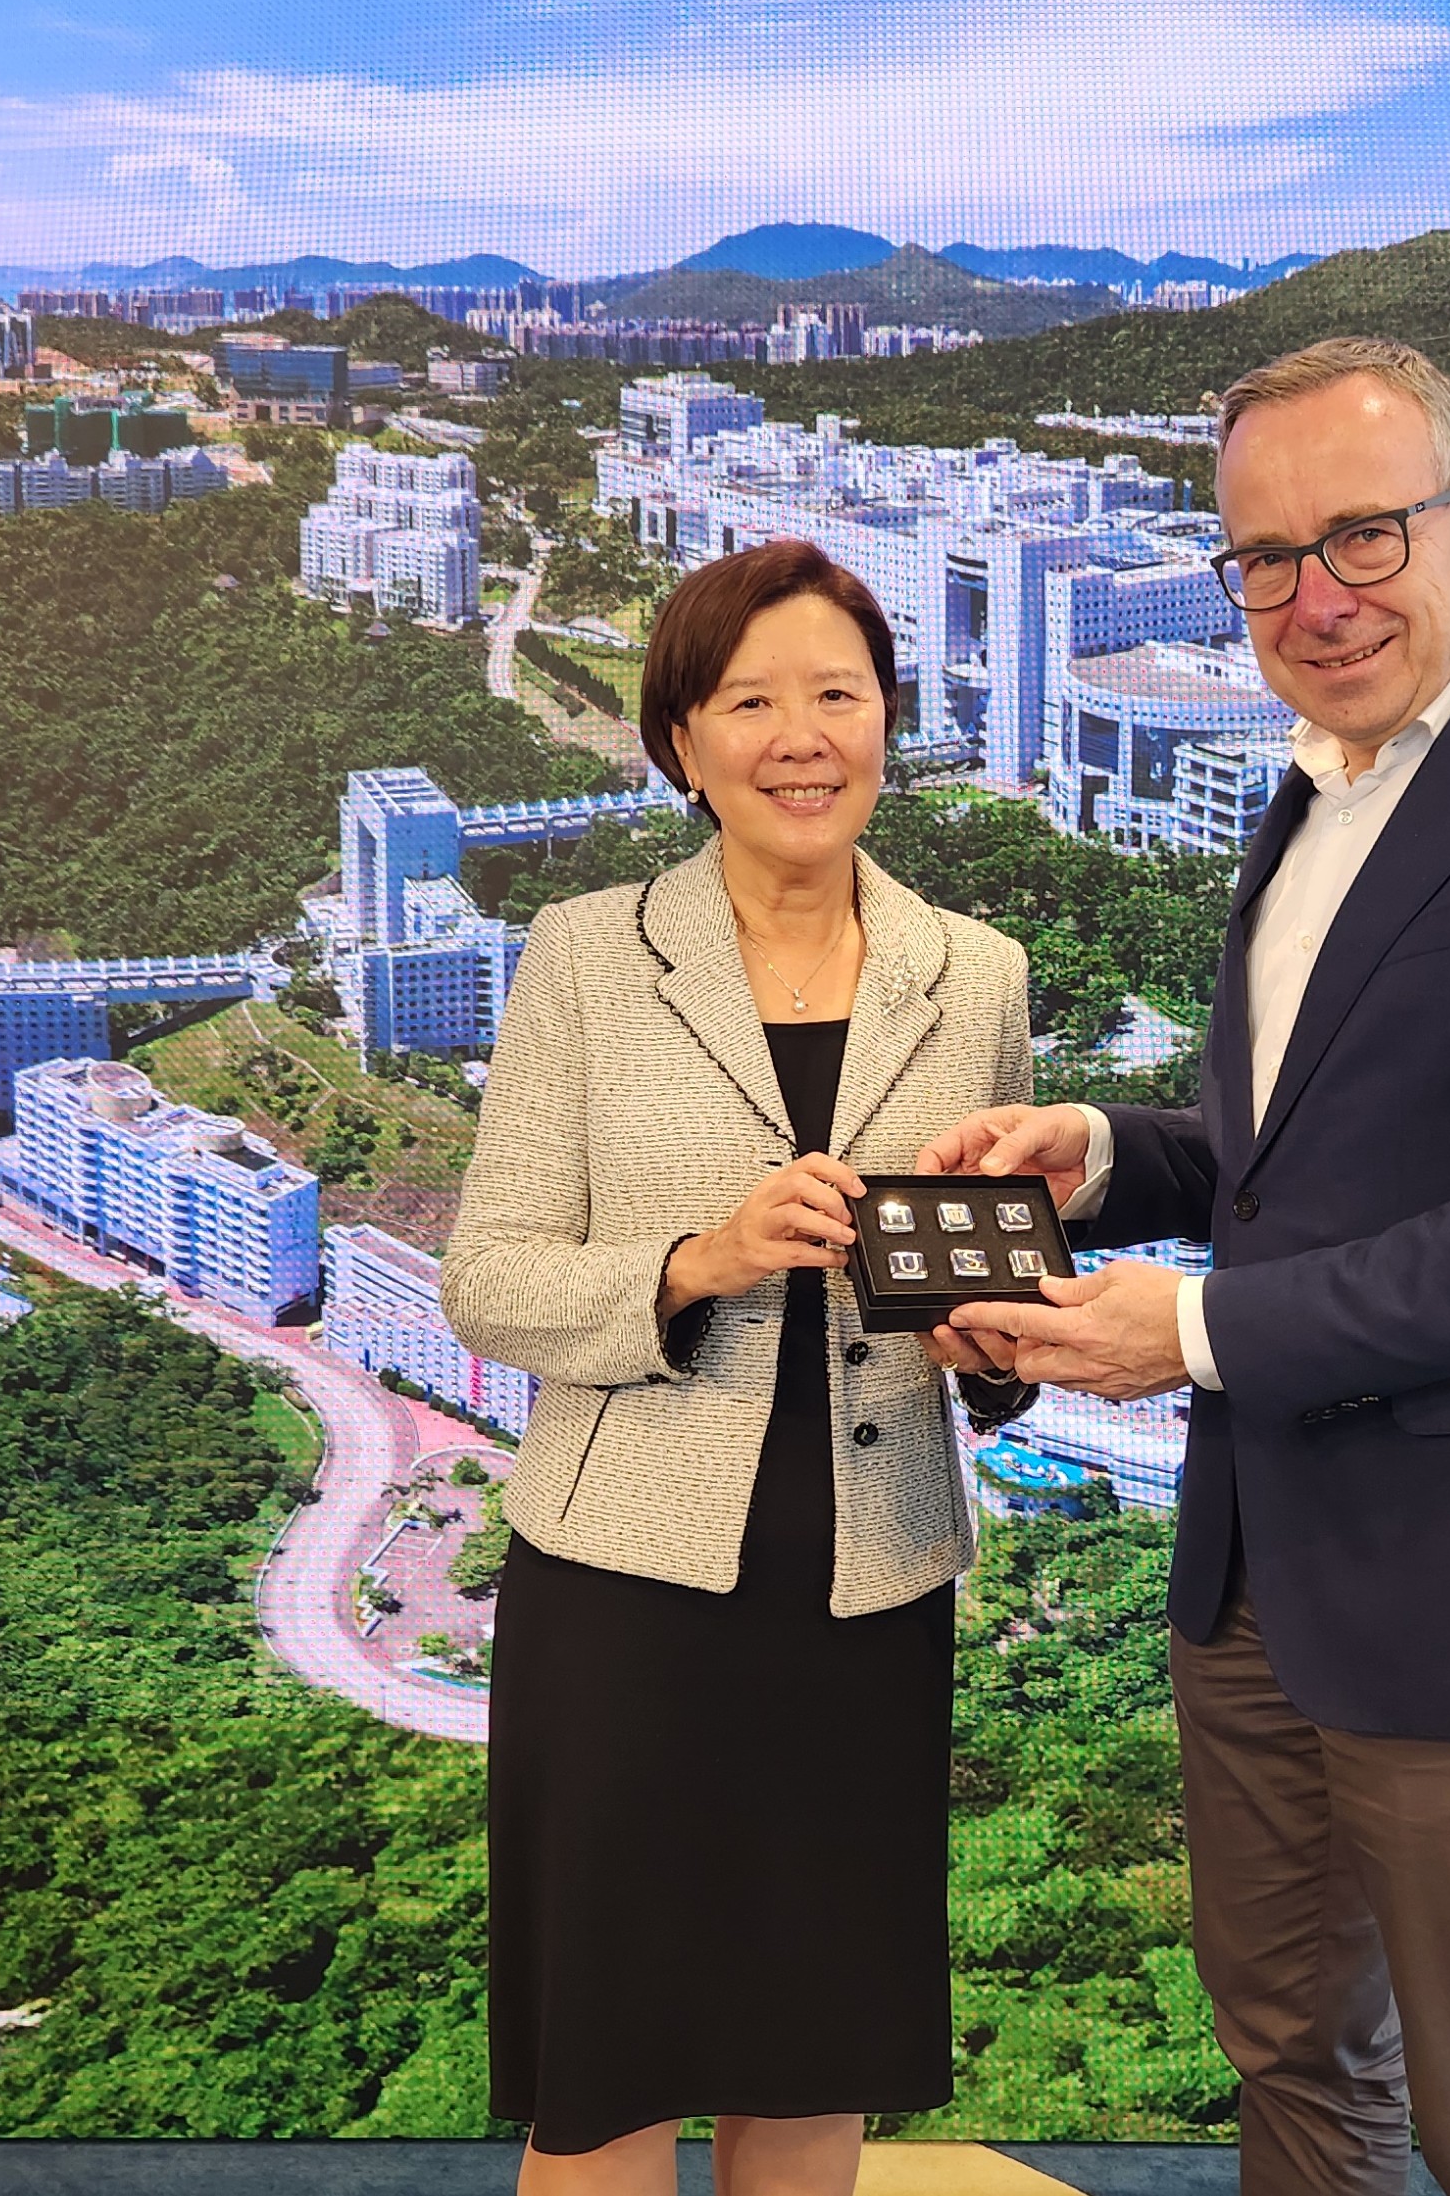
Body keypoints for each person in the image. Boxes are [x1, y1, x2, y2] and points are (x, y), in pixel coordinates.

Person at [922, 337, 1450, 2195]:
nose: (1316, 597)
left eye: (1364, 536)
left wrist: (1199, 1331)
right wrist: (1109, 1153)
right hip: (1256, 1575)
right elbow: (1306, 1152)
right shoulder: (1314, 795)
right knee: (1297, 2066)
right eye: (1266, 557)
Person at [443, 536, 1037, 2196]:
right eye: (750, 698)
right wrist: (700, 1260)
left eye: (836, 693)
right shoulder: (582, 953)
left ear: (890, 719)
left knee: (812, 2052)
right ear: (681, 742)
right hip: (626, 1587)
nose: (801, 735)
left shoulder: (974, 972)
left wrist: (1001, 1355)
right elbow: (488, 1281)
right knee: (608, 2075)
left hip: (869, 1587)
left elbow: (984, 1280)